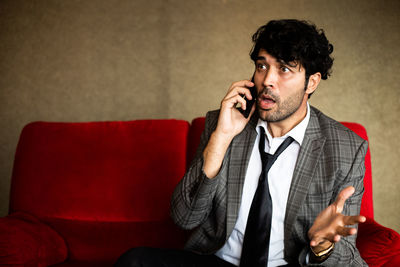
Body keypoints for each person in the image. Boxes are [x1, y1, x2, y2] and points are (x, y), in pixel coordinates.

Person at [115, 19, 368, 267]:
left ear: (311, 82)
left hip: (287, 264)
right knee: (134, 260)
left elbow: (348, 257)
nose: (267, 80)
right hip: (219, 261)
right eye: (261, 66)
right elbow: (185, 217)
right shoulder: (224, 123)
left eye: (284, 69)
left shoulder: (346, 148)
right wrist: (221, 137)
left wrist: (321, 246)